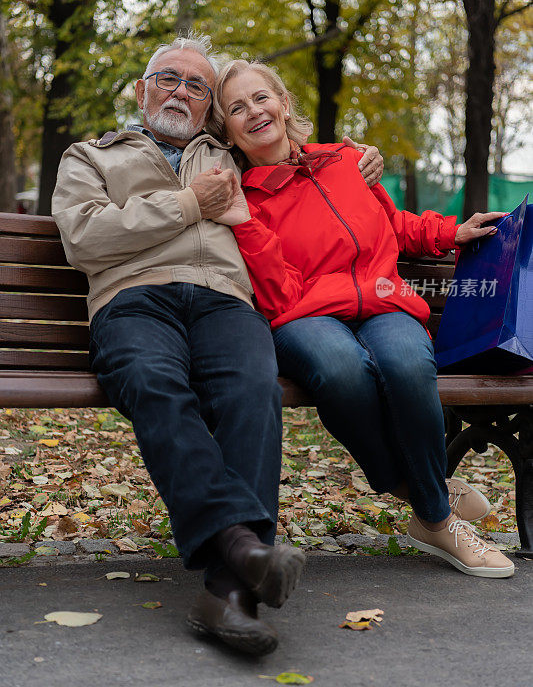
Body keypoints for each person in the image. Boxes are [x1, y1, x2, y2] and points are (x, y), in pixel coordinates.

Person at [51, 33, 385, 656]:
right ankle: (241, 554)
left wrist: (359, 157)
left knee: (252, 388)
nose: (180, 91)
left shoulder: (230, 156)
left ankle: (227, 592)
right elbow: (83, 239)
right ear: (141, 90)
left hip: (224, 302)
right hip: (133, 297)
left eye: (197, 85)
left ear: (210, 107)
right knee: (154, 384)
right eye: (167, 78)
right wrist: (186, 204)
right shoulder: (90, 156)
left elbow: (302, 159)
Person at [211, 58, 515, 579]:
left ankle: (425, 500)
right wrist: (244, 221)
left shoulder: (346, 161)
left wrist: (451, 233)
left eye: (261, 98)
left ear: (284, 103)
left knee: (405, 361)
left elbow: (391, 224)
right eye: (236, 108)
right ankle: (436, 512)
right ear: (228, 130)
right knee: (342, 368)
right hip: (304, 315)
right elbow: (277, 290)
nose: (254, 112)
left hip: (381, 298)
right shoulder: (243, 197)